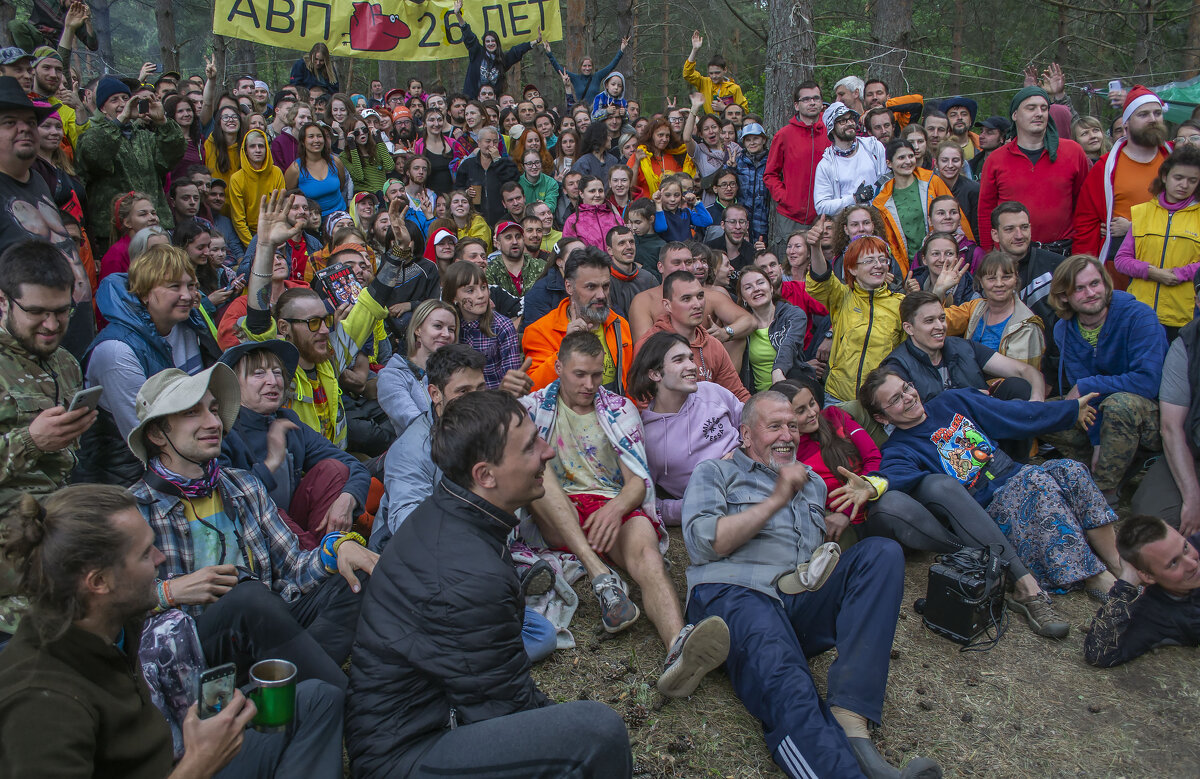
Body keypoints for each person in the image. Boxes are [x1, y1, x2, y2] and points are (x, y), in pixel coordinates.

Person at [346, 389, 633, 776]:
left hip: (423, 725)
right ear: (485, 475)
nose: (547, 453)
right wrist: (570, 734)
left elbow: (495, 685)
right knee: (600, 732)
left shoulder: (455, 513)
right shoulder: (468, 574)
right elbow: (503, 709)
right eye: (530, 447)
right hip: (406, 756)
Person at [0, 484, 347, 777]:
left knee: (317, 698)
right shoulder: (40, 703)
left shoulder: (111, 627)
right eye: (143, 554)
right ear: (99, 582)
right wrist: (198, 763)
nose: (159, 558)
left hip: (177, 757)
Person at [681, 390, 940, 779]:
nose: (787, 434)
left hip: (793, 602)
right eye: (774, 426)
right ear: (747, 435)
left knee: (881, 553)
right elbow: (706, 543)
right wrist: (778, 495)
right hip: (735, 595)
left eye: (791, 425)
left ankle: (850, 718)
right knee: (790, 681)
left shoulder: (815, 484)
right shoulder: (715, 472)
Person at [127, 362, 375, 693]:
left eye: (214, 410)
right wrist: (169, 591)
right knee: (249, 598)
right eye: (192, 413)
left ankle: (287, 689)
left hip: (271, 623)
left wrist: (337, 549)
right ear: (158, 434)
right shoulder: (134, 508)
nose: (213, 422)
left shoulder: (241, 485)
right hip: (199, 649)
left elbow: (294, 566)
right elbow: (114, 608)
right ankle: (334, 697)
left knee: (357, 574)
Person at [523, 331, 730, 685]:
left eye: (597, 374)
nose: (590, 384)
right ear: (558, 368)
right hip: (559, 513)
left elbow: (637, 480)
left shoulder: (618, 409)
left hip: (610, 506)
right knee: (533, 466)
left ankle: (678, 648)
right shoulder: (532, 409)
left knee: (646, 555)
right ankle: (601, 577)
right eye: (579, 375)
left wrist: (617, 507)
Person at [862, 367, 1120, 602]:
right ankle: (1094, 576)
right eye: (895, 399)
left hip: (1015, 472)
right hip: (991, 505)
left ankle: (1116, 562)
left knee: (1071, 470)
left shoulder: (952, 401)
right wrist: (871, 485)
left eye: (906, 387)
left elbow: (1012, 414)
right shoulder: (899, 449)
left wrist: (1070, 409)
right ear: (882, 417)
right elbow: (893, 475)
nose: (907, 397)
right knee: (1036, 482)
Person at [242, 191, 407, 449]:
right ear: (283, 327)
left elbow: (372, 301)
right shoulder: (280, 371)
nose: (323, 330)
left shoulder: (330, 358)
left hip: (338, 463)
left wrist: (398, 249)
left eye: (324, 319)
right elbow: (258, 317)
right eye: (312, 323)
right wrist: (264, 246)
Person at [79, 246, 221, 485]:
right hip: (129, 474)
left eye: (191, 285)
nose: (187, 295)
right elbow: (144, 438)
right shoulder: (117, 352)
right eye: (174, 286)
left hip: (187, 451)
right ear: (144, 293)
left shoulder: (189, 325)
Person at [218, 340, 369, 551]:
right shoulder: (222, 431)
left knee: (333, 470)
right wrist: (271, 463)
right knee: (274, 511)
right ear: (233, 385)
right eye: (259, 373)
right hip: (254, 540)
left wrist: (348, 498)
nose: (273, 381)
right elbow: (230, 503)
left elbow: (353, 466)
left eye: (277, 373)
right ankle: (322, 563)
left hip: (299, 532)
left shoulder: (287, 420)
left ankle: (322, 558)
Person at [1040, 255, 1167, 505]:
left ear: (1106, 284)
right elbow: (1086, 398)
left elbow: (1149, 382)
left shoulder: (1138, 315)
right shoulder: (1064, 328)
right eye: (1079, 288)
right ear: (1064, 296)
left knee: (1119, 405)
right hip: (1104, 412)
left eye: (1095, 284)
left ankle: (1104, 492)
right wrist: (1098, 441)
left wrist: (1091, 385)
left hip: (1152, 415)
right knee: (1045, 413)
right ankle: (1109, 463)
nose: (1091, 293)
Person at [631, 331, 744, 526]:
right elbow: (647, 502)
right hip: (723, 509)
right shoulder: (647, 439)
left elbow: (752, 426)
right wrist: (689, 507)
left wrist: (742, 452)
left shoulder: (712, 391)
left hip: (756, 473)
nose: (692, 366)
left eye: (691, 358)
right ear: (655, 374)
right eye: (678, 360)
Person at [1072, 86, 1172, 279]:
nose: (1153, 119)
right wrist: (1083, 273)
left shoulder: (1177, 160)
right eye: (1143, 114)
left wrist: (1134, 228)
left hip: (1171, 265)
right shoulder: (1105, 167)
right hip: (1118, 273)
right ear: (1126, 125)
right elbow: (1085, 225)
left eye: (1157, 113)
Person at [977, 87, 1089, 253]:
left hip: (1063, 253)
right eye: (1031, 108)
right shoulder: (996, 159)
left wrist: (1082, 250)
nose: (1039, 113)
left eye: (1044, 108)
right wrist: (990, 253)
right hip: (1013, 254)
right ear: (1015, 115)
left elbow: (1085, 206)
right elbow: (986, 211)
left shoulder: (1073, 151)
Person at [77, 76, 185, 246]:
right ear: (103, 109)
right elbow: (95, 157)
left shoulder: (145, 137)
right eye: (114, 100)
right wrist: (120, 121)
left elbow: (173, 155)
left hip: (155, 228)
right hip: (115, 233)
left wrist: (163, 122)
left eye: (126, 98)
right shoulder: (92, 136)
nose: (122, 104)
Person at [1130, 277, 1200, 531]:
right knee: (1150, 521)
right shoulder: (1186, 345)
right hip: (1195, 451)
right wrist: (1192, 498)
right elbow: (1171, 427)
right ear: (1198, 300)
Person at [1083, 514, 1200, 667]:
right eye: (1173, 563)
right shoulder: (1155, 613)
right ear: (1148, 576)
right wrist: (1126, 583)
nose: (1192, 564)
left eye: (1185, 547)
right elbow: (1098, 654)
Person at [1113, 144, 1200, 335]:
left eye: (1192, 180)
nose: (1184, 185)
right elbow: (1121, 260)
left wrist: (1180, 274)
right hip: (1139, 313)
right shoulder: (1142, 212)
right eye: (1178, 178)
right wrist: (1152, 272)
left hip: (1184, 316)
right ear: (1164, 176)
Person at [806, 235, 905, 403]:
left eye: (883, 260)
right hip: (838, 397)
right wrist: (815, 247)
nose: (879, 265)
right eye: (869, 261)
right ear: (852, 268)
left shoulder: (900, 304)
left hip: (882, 400)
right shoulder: (843, 296)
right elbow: (820, 281)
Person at [632, 270, 748, 401]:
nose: (697, 305)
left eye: (700, 296)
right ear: (667, 305)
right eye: (686, 299)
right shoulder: (650, 346)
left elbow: (737, 395)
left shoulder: (713, 345)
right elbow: (642, 403)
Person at [944, 251, 1046, 369]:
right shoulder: (975, 307)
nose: (999, 284)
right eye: (991, 278)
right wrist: (940, 290)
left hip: (1002, 386)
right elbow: (937, 324)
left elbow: (1018, 377)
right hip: (970, 380)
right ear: (981, 281)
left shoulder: (1027, 325)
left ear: (1015, 279)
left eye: (1006, 277)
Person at [871, 139, 955, 274]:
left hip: (941, 258)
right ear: (889, 163)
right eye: (901, 157)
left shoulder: (931, 181)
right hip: (910, 265)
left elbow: (955, 214)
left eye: (911, 156)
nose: (908, 161)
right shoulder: (882, 201)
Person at [441, 260, 526, 391]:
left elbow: (511, 380)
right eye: (470, 290)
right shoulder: (447, 327)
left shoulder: (502, 326)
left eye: (483, 287)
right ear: (454, 297)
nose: (481, 295)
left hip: (495, 400)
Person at [736, 266, 813, 394]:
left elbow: (789, 344)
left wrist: (778, 371)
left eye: (760, 283)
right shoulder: (743, 327)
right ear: (743, 297)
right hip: (760, 398)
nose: (756, 289)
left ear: (771, 288)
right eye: (748, 287)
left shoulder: (793, 314)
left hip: (793, 392)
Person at [765, 81, 830, 232]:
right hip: (791, 216)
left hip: (824, 215)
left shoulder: (830, 132)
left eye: (816, 98)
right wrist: (785, 198)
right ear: (796, 105)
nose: (812, 103)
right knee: (790, 255)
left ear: (821, 102)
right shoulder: (784, 135)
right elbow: (770, 174)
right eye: (806, 99)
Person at [814, 102, 888, 218]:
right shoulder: (826, 165)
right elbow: (821, 207)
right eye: (842, 121)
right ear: (832, 128)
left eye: (851, 119)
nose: (849, 123)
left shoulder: (873, 147)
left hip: (878, 219)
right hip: (847, 226)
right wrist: (854, 199)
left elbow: (887, 180)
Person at [227, 129, 285, 247]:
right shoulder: (236, 179)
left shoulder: (276, 172)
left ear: (267, 149)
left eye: (261, 146)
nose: (257, 150)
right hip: (250, 235)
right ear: (246, 151)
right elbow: (238, 220)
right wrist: (254, 246)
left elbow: (281, 208)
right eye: (252, 146)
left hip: (274, 231)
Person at [455, 126, 518, 225]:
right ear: (479, 143)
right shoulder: (467, 165)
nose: (491, 145)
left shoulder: (506, 164)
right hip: (475, 219)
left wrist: (497, 160)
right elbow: (457, 189)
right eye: (488, 141)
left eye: (495, 142)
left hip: (501, 217)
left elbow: (512, 183)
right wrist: (466, 192)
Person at [283, 123, 348, 217]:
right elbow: (291, 197)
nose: (316, 140)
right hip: (312, 221)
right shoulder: (295, 169)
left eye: (319, 136)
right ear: (303, 141)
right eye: (311, 136)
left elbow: (341, 186)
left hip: (340, 217)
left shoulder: (335, 161)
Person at [542, 37, 628, 106]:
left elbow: (611, 66)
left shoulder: (597, 76)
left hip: (596, 110)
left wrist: (621, 50)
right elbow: (559, 69)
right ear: (580, 67)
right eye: (584, 66)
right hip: (582, 112)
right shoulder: (575, 78)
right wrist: (549, 54)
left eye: (589, 66)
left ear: (592, 67)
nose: (587, 68)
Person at [605, 225, 656, 318]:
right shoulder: (604, 283)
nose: (629, 247)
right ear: (610, 250)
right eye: (621, 243)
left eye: (631, 242)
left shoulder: (649, 279)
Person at [933, 141, 980, 237]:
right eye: (944, 160)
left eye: (955, 160)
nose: (950, 165)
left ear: (962, 163)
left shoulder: (973, 189)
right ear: (936, 163)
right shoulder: (929, 188)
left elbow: (977, 229)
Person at [564, 174, 624, 248]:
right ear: (581, 193)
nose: (597, 194)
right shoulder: (572, 221)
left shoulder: (615, 218)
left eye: (600, 191)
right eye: (592, 191)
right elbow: (569, 250)